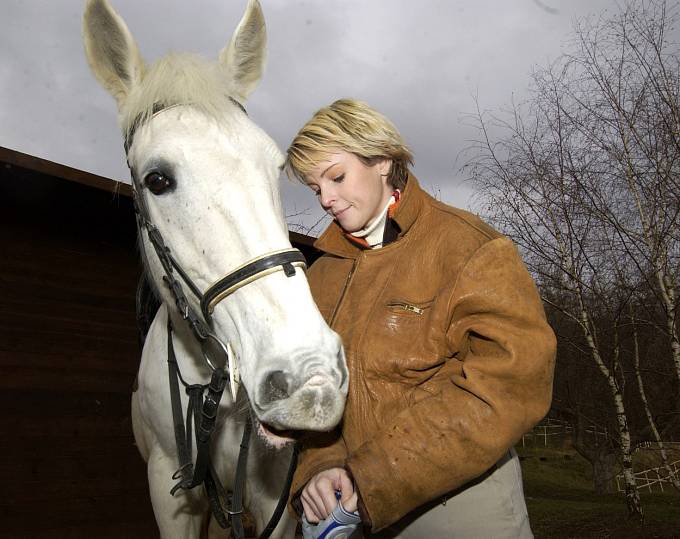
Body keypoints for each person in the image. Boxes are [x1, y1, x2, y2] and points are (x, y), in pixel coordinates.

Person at [285, 99, 556, 538]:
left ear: (383, 161)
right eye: (316, 188)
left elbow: (510, 384)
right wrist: (320, 465)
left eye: (336, 176)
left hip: (459, 503)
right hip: (342, 507)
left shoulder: (469, 248)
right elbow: (307, 386)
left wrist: (374, 477)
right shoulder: (319, 274)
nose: (326, 199)